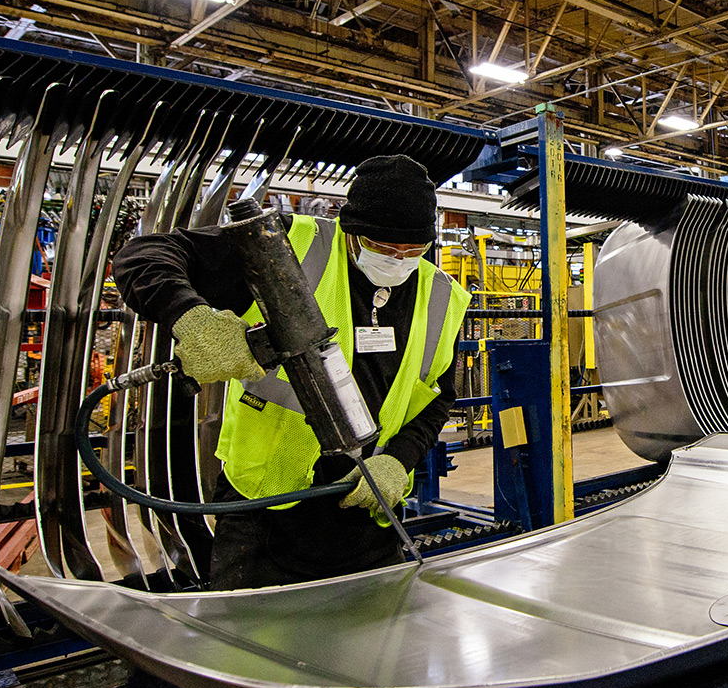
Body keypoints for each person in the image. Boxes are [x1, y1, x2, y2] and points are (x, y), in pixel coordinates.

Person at [113, 154, 470, 591]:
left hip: (368, 505)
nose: (398, 261)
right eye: (383, 248)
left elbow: (438, 401)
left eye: (413, 251)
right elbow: (143, 255)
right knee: (250, 647)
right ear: (351, 230)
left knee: (373, 647)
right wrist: (191, 316)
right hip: (263, 513)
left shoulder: (442, 297)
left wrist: (399, 460)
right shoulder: (285, 249)